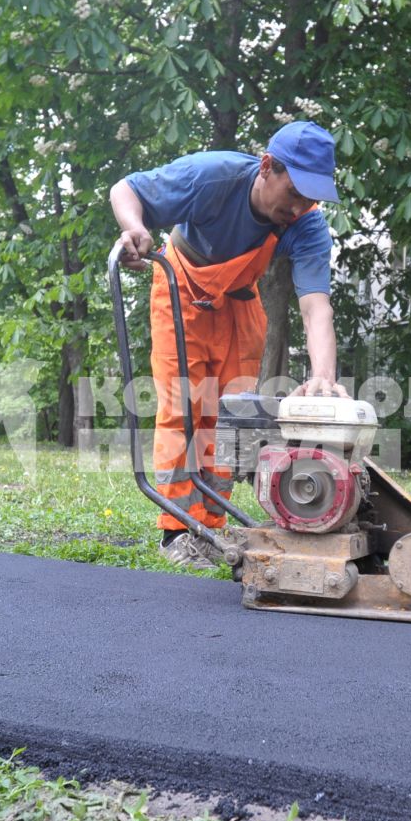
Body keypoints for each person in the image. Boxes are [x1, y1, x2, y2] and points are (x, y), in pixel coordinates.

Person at [110, 120, 351, 569]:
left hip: (239, 303)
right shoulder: (213, 176)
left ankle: (212, 529)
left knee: (230, 416)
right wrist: (134, 228)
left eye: (311, 198)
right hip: (181, 289)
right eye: (295, 193)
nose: (300, 207)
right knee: (184, 408)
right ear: (266, 167)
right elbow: (126, 189)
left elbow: (316, 306)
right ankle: (179, 531)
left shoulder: (308, 225)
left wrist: (323, 377)